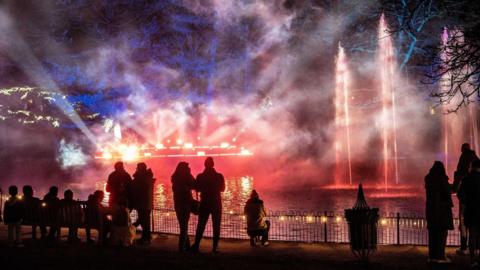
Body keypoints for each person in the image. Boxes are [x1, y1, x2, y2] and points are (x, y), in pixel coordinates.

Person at [191, 157, 225, 253]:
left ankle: (196, 245)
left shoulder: (200, 176)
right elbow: (222, 189)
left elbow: (196, 188)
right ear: (213, 164)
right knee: (216, 225)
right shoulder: (219, 176)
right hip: (216, 203)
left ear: (205, 165)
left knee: (201, 224)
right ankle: (215, 247)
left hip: (205, 202)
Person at [425, 161, 454, 263]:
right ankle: (440, 256)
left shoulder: (428, 179)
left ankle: (432, 256)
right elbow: (447, 192)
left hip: (431, 209)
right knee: (441, 234)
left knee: (432, 233)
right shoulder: (442, 179)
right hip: (442, 211)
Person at [453, 143, 479, 255]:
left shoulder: (463, 158)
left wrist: (457, 190)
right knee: (476, 225)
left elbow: (459, 173)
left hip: (466, 203)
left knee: (463, 221)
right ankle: (477, 248)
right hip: (477, 204)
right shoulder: (475, 156)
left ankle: (464, 247)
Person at [458, 159, 480, 267]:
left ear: (471, 167)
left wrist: (466, 202)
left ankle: (472, 260)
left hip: (470, 210)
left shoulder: (466, 179)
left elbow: (460, 194)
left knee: (471, 235)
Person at [171, 162, 195, 251]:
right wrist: (190, 174)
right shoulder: (186, 178)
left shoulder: (175, 178)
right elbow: (194, 185)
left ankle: (187, 245)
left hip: (178, 204)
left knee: (183, 226)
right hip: (185, 204)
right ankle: (181, 247)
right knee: (184, 227)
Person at [131, 162, 155, 244]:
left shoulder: (141, 178)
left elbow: (138, 189)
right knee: (146, 221)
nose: (136, 169)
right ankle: (147, 237)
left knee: (143, 220)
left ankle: (145, 238)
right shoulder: (148, 177)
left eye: (137, 168)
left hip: (142, 203)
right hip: (147, 203)